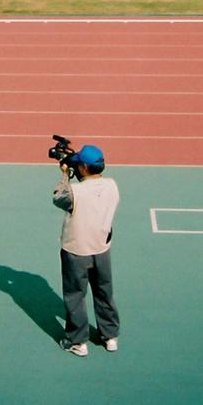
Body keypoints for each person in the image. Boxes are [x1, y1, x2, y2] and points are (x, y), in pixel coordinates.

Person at [53, 144, 120, 357]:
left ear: (82, 167)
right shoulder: (112, 185)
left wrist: (65, 175)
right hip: (101, 248)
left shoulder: (75, 190)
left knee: (75, 295)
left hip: (76, 250)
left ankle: (77, 341)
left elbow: (58, 198)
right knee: (104, 292)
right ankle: (110, 336)